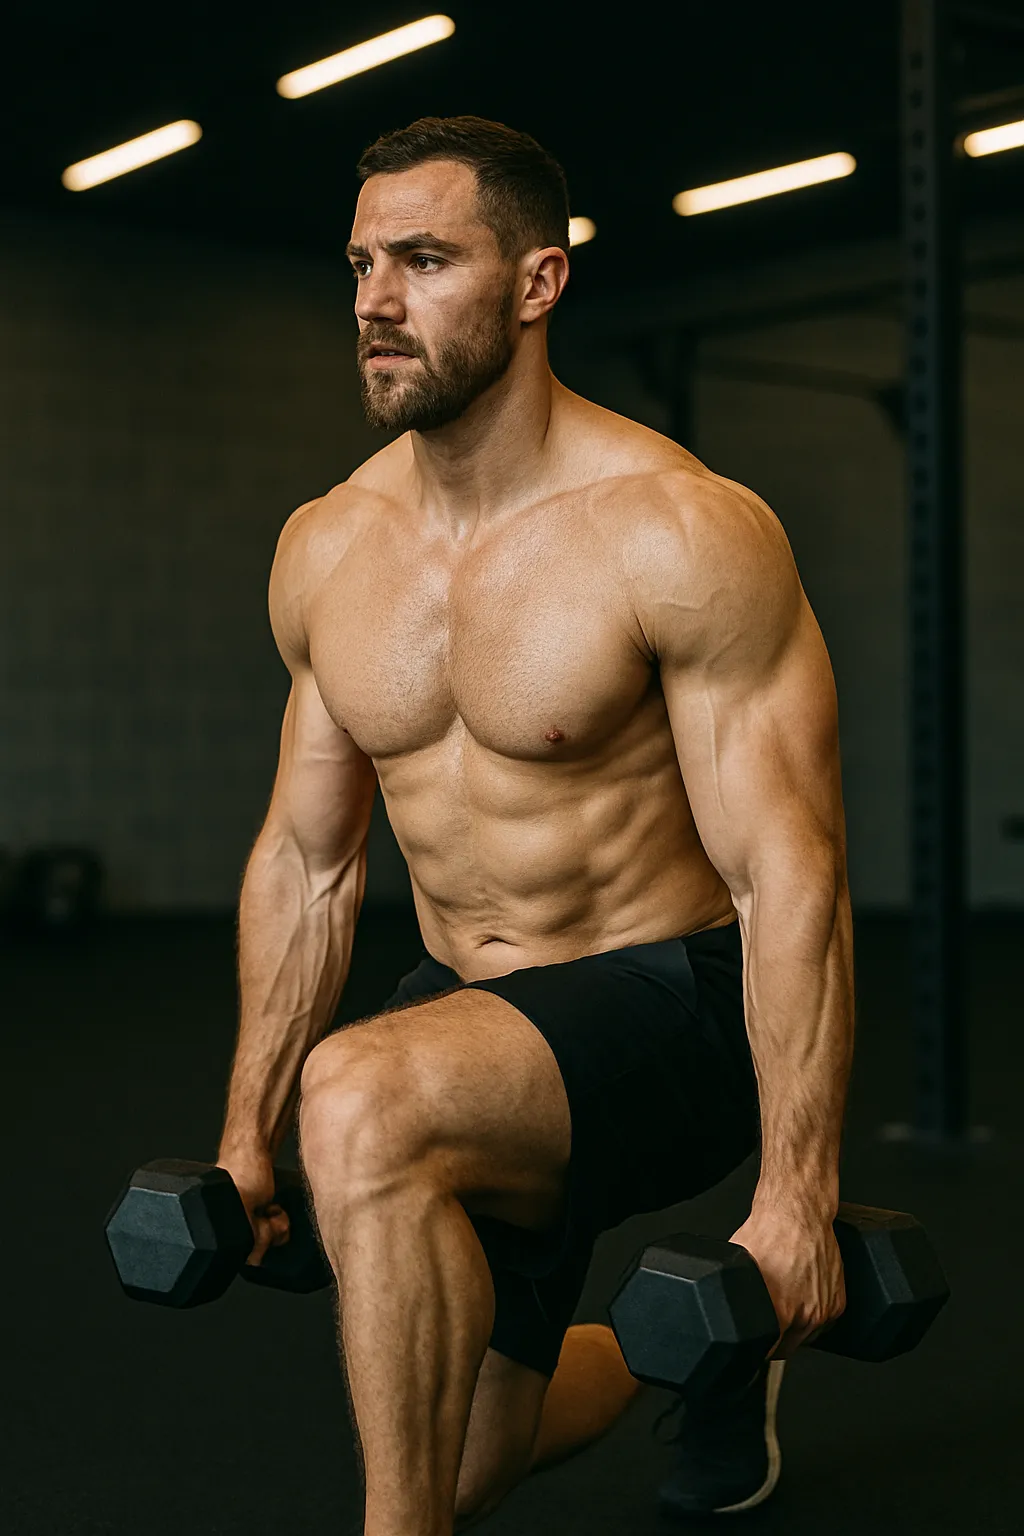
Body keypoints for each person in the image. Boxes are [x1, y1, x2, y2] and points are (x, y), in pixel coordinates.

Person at [215, 115, 854, 1536]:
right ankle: (679, 1356)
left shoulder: (677, 529)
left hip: (672, 1004)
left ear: (538, 284)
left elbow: (788, 870)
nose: (378, 299)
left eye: (427, 259)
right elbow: (309, 863)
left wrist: (798, 1196)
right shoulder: (328, 546)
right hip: (471, 1021)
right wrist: (243, 1131)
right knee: (459, 1459)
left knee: (363, 1099)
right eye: (363, 262)